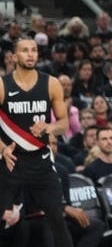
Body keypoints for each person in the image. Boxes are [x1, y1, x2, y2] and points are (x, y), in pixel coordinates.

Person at [0, 36, 76, 246]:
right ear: (14, 56)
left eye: (34, 50)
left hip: (40, 161)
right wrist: (3, 149)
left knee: (58, 220)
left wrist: (50, 127)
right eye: (25, 50)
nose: (31, 54)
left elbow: (64, 123)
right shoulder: (2, 85)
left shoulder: (51, 83)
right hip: (10, 161)